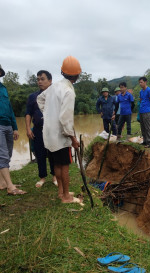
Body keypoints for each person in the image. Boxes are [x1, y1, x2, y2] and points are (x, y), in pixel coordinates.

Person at [37, 56, 81, 203]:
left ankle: (61, 192)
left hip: (49, 133)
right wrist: (73, 138)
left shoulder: (54, 87)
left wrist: (48, 115)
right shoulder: (68, 91)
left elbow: (40, 99)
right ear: (77, 75)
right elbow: (65, 118)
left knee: (56, 164)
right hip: (61, 135)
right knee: (65, 166)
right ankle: (67, 197)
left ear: (62, 72)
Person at [25, 70, 57, 188]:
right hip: (38, 129)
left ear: (50, 81)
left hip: (53, 130)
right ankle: (42, 177)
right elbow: (28, 113)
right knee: (40, 153)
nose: (39, 81)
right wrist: (28, 129)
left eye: (42, 79)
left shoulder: (55, 95)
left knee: (53, 152)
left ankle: (54, 176)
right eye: (38, 79)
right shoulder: (33, 96)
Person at [0, 65, 26, 195]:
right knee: (3, 154)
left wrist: (15, 127)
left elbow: (10, 109)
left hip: (8, 125)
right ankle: (10, 187)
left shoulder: (3, 89)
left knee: (8, 154)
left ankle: (2, 182)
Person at [139, 77, 150, 148]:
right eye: (139, 82)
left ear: (145, 82)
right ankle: (144, 141)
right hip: (141, 111)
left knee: (148, 127)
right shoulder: (141, 91)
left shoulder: (149, 90)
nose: (140, 84)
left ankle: (149, 142)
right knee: (143, 127)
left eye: (141, 82)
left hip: (147, 111)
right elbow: (140, 99)